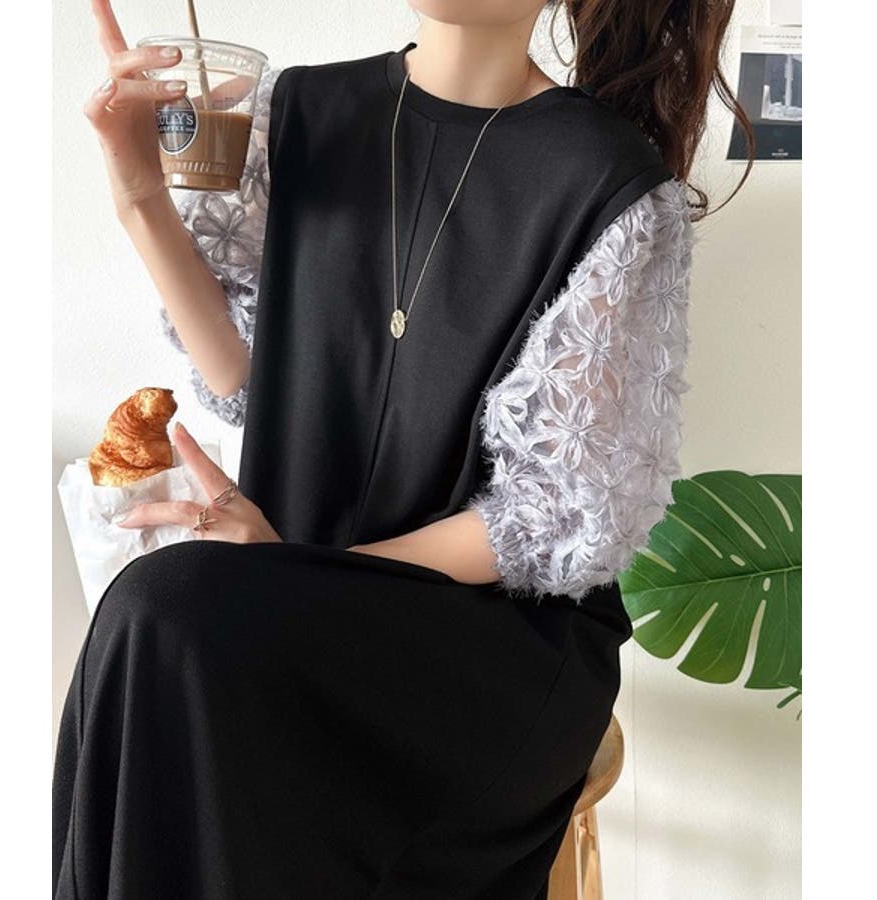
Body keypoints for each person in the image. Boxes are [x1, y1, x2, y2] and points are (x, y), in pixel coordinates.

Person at [54, 1, 754, 898]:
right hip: (290, 598)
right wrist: (139, 194)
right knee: (157, 625)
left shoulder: (609, 181)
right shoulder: (297, 111)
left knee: (166, 611)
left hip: (485, 646)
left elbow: (551, 515)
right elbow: (248, 377)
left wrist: (301, 574)